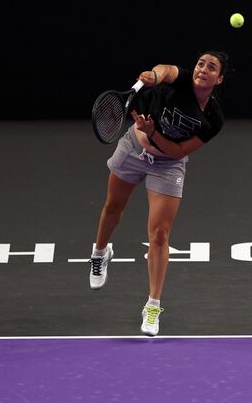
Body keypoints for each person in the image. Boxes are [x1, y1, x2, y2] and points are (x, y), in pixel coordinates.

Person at [89, 50, 230, 336]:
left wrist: (154, 133)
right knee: (113, 208)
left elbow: (178, 151)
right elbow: (166, 70)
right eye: (200, 63)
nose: (203, 69)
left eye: (211, 67)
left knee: (160, 235)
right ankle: (100, 252)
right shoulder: (182, 80)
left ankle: (153, 305)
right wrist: (154, 75)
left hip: (168, 166)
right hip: (133, 149)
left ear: (219, 79)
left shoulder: (213, 119)